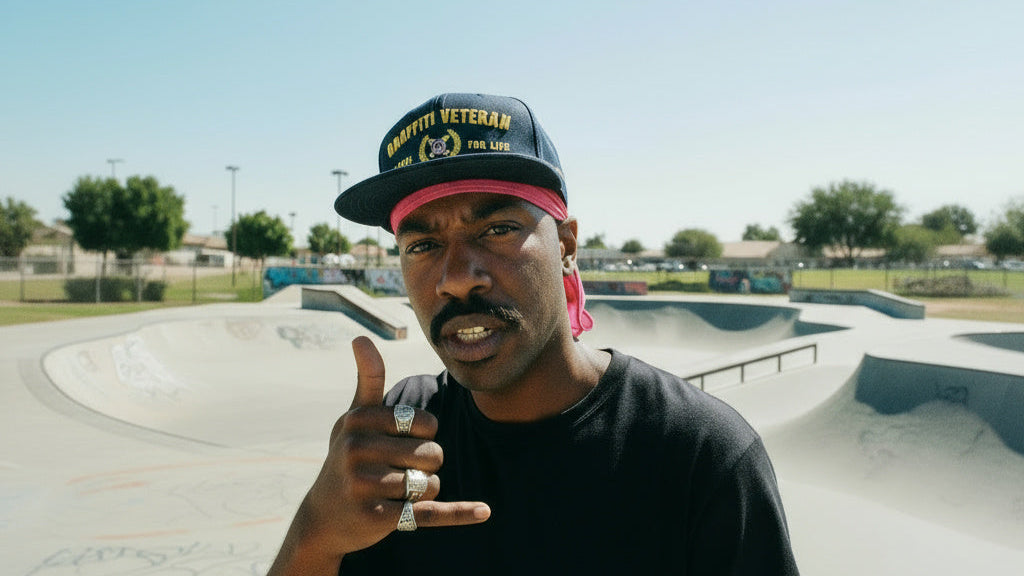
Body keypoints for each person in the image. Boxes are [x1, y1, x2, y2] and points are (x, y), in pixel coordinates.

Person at [268, 93, 799, 575]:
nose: (456, 278)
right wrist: (314, 535)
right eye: (422, 245)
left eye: (497, 230)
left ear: (566, 246)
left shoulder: (698, 454)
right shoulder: (402, 434)